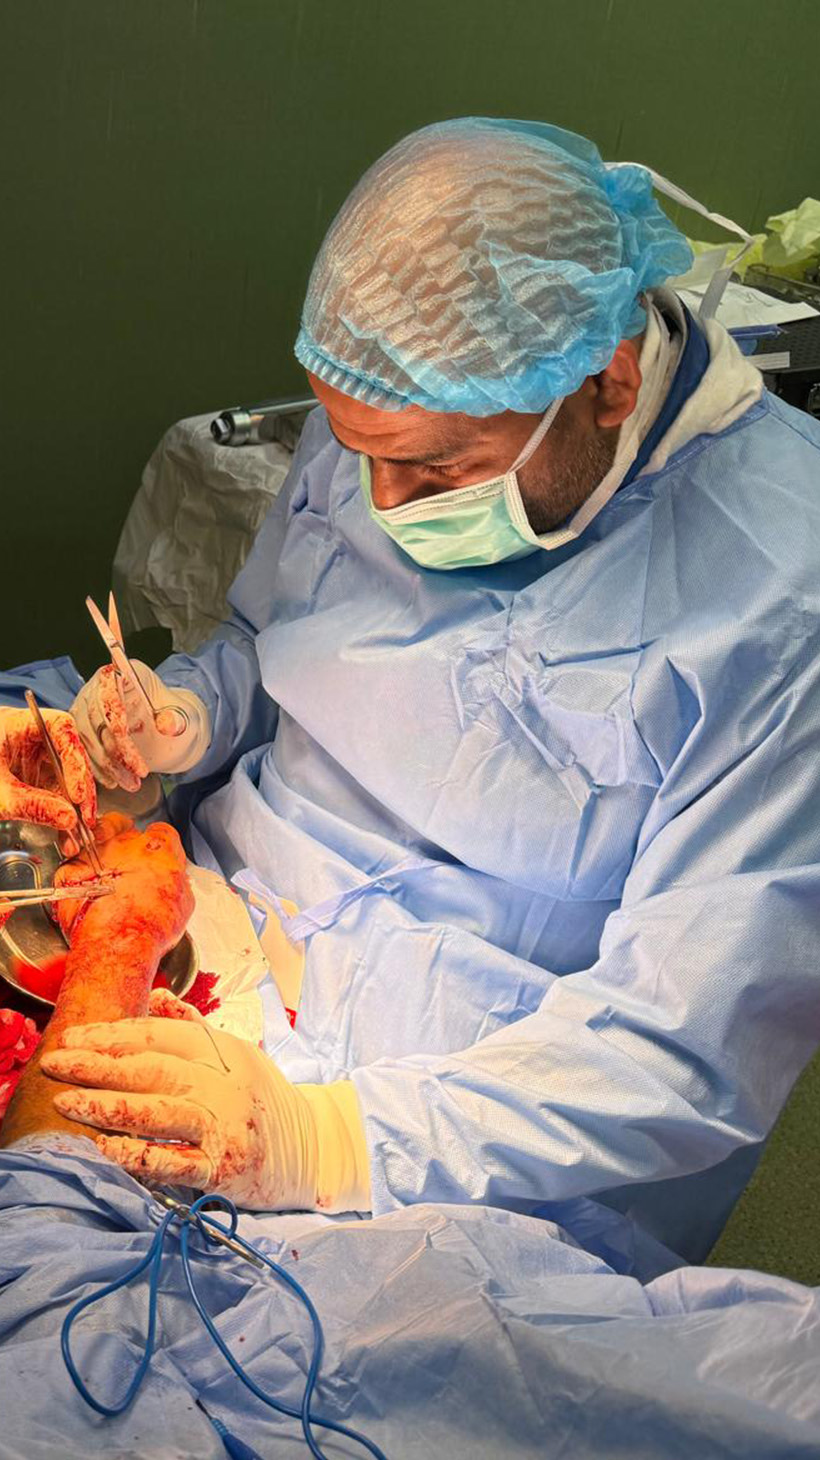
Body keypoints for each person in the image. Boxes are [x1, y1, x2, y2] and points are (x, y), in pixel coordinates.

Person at [60, 118, 820, 1262]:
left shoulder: (781, 602)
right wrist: (191, 713)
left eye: (435, 469)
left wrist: (320, 1139)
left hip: (467, 1121)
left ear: (608, 382)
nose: (383, 501)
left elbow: (679, 1050)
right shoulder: (404, 400)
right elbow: (276, 638)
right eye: (359, 450)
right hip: (211, 917)